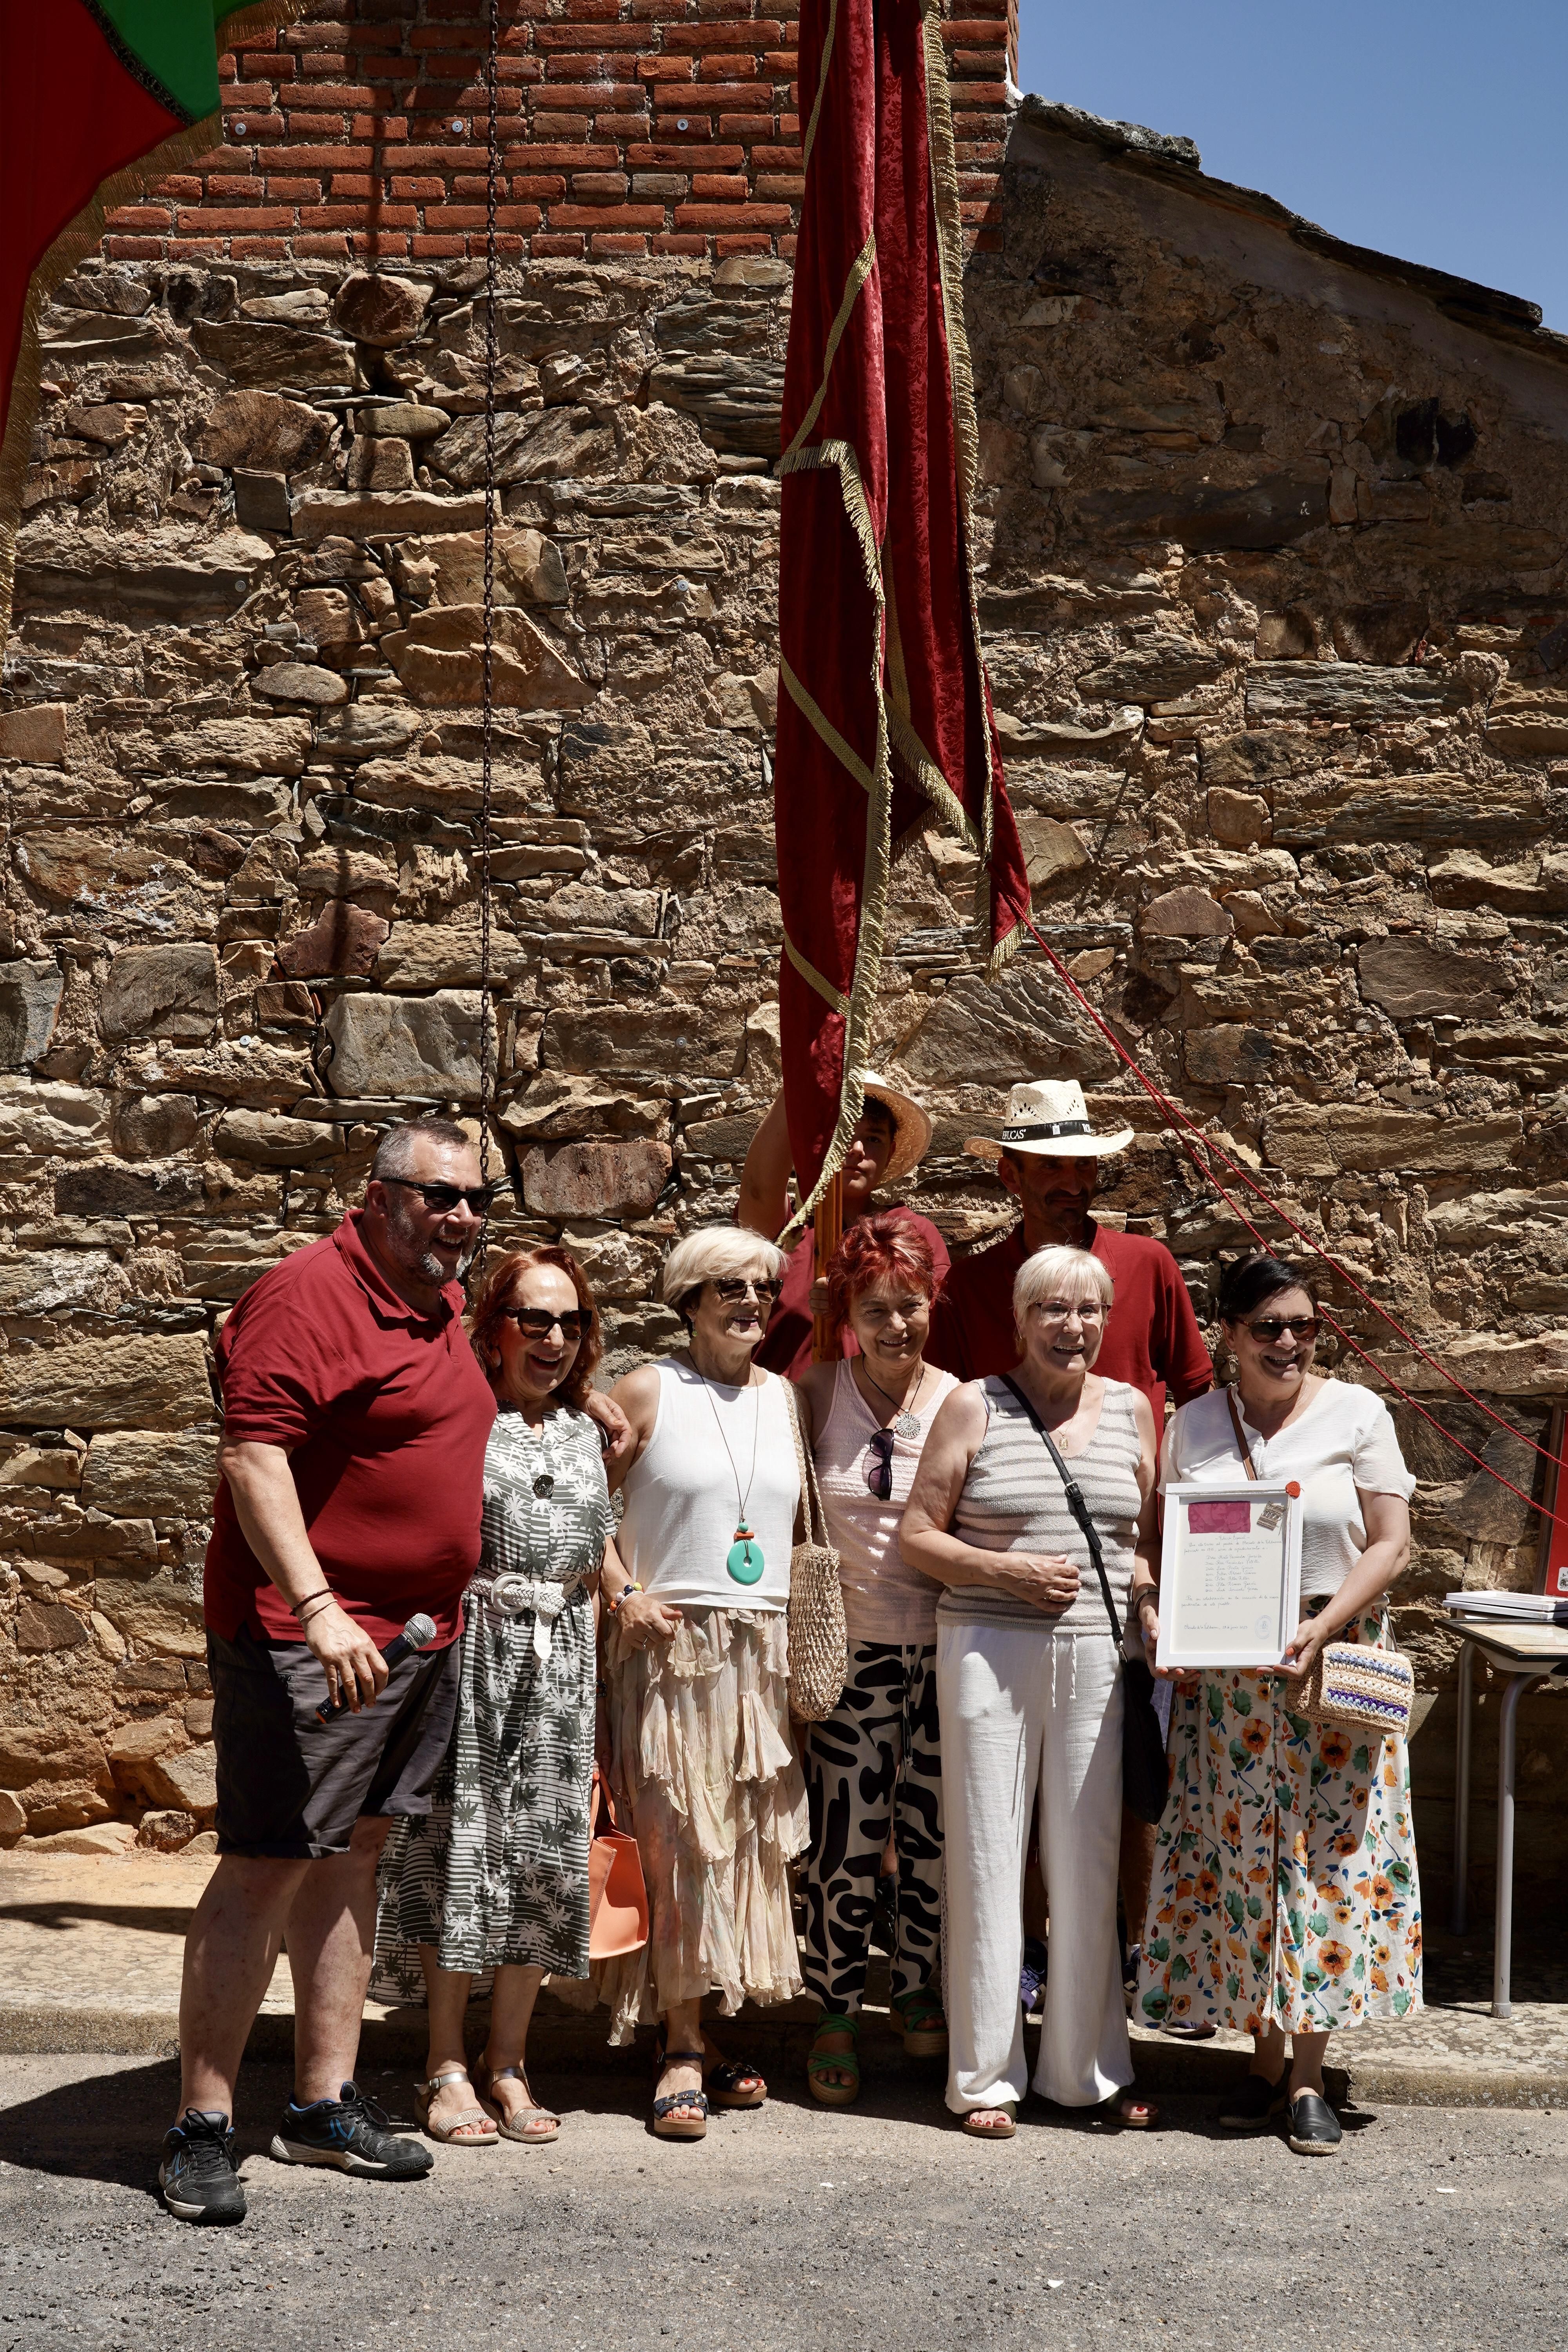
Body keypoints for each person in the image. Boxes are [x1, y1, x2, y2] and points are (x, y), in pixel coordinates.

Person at [159, 1119, 501, 2224]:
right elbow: (253, 1455)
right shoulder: (308, 1295)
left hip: (414, 1638)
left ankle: (320, 2104)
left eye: (477, 1198)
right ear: (379, 1194)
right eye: (440, 1195)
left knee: (355, 1857)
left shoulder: (436, 1295)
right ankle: (201, 2125)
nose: (462, 1216)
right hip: (307, 1639)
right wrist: (318, 1611)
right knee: (265, 1866)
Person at [926, 1074, 1213, 1994]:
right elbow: (941, 1408)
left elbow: (1198, 1397)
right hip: (1011, 1574)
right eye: (1048, 1166)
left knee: (1127, 1769)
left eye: (1081, 1165)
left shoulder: (1146, 1265)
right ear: (1008, 1174)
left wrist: (1195, 1546)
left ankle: (1132, 1951)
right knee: (1013, 1779)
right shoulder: (969, 1285)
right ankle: (1026, 1951)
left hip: (1134, 1558)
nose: (1069, 1182)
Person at [1137, 1253, 1421, 2156]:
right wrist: (1154, 1614)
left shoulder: (1357, 1414)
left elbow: (1391, 1542)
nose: (1289, 1341)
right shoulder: (1192, 1425)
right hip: (1228, 1689)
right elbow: (1158, 1544)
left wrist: (1322, 1625)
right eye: (1268, 1327)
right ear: (1228, 1334)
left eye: (1304, 1324)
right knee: (1242, 1864)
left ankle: (1306, 2075)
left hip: (1326, 1670)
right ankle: (1259, 2062)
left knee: (1322, 1863)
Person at [902, 1244, 1162, 2140]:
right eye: (1052, 1308)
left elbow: (1141, 1540)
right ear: (1020, 1319)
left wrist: (1149, 1601)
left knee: (1089, 1861)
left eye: (1089, 1310)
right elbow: (918, 1534)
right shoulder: (973, 1404)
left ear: (1107, 1320)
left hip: (1098, 1652)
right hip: (987, 1647)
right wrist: (1003, 1571)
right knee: (987, 1855)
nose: (1072, 1326)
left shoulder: (1133, 1412)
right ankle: (983, 2077)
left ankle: (1086, 2070)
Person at [373, 1244, 616, 2149]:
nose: (553, 1339)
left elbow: (596, 1548)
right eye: (534, 1319)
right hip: (474, 1657)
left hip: (563, 1668)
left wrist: (621, 1602)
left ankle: (508, 2061)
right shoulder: (463, 1416)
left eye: (571, 1322)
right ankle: (443, 2063)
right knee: (458, 1855)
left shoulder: (588, 1432)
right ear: (494, 1329)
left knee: (543, 1858)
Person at [601, 1226, 806, 2140]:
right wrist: (622, 1595)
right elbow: (576, 1503)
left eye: (762, 1286)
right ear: (688, 1300)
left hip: (760, 1654)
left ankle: (702, 2028)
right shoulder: (648, 1388)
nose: (751, 1301)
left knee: (739, 1851)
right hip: (670, 1648)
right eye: (729, 1287)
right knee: (678, 1844)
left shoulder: (785, 1398)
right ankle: (681, 2050)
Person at [791, 1211, 959, 2107]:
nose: (896, 1325)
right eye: (875, 1310)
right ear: (848, 1315)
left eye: (910, 1305)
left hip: (946, 1649)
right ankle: (836, 2006)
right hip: (850, 1654)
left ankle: (919, 1983)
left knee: (932, 1833)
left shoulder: (962, 1400)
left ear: (934, 1303)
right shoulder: (819, 1393)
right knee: (845, 1837)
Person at [740, 1073, 950, 1379]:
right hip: (782, 1405)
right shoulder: (785, 1230)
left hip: (880, 1406)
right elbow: (758, 1190)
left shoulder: (915, 1234)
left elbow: (930, 1328)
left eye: (874, 1139)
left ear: (890, 1152)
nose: (857, 1149)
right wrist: (807, 1074)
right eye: (842, 1133)